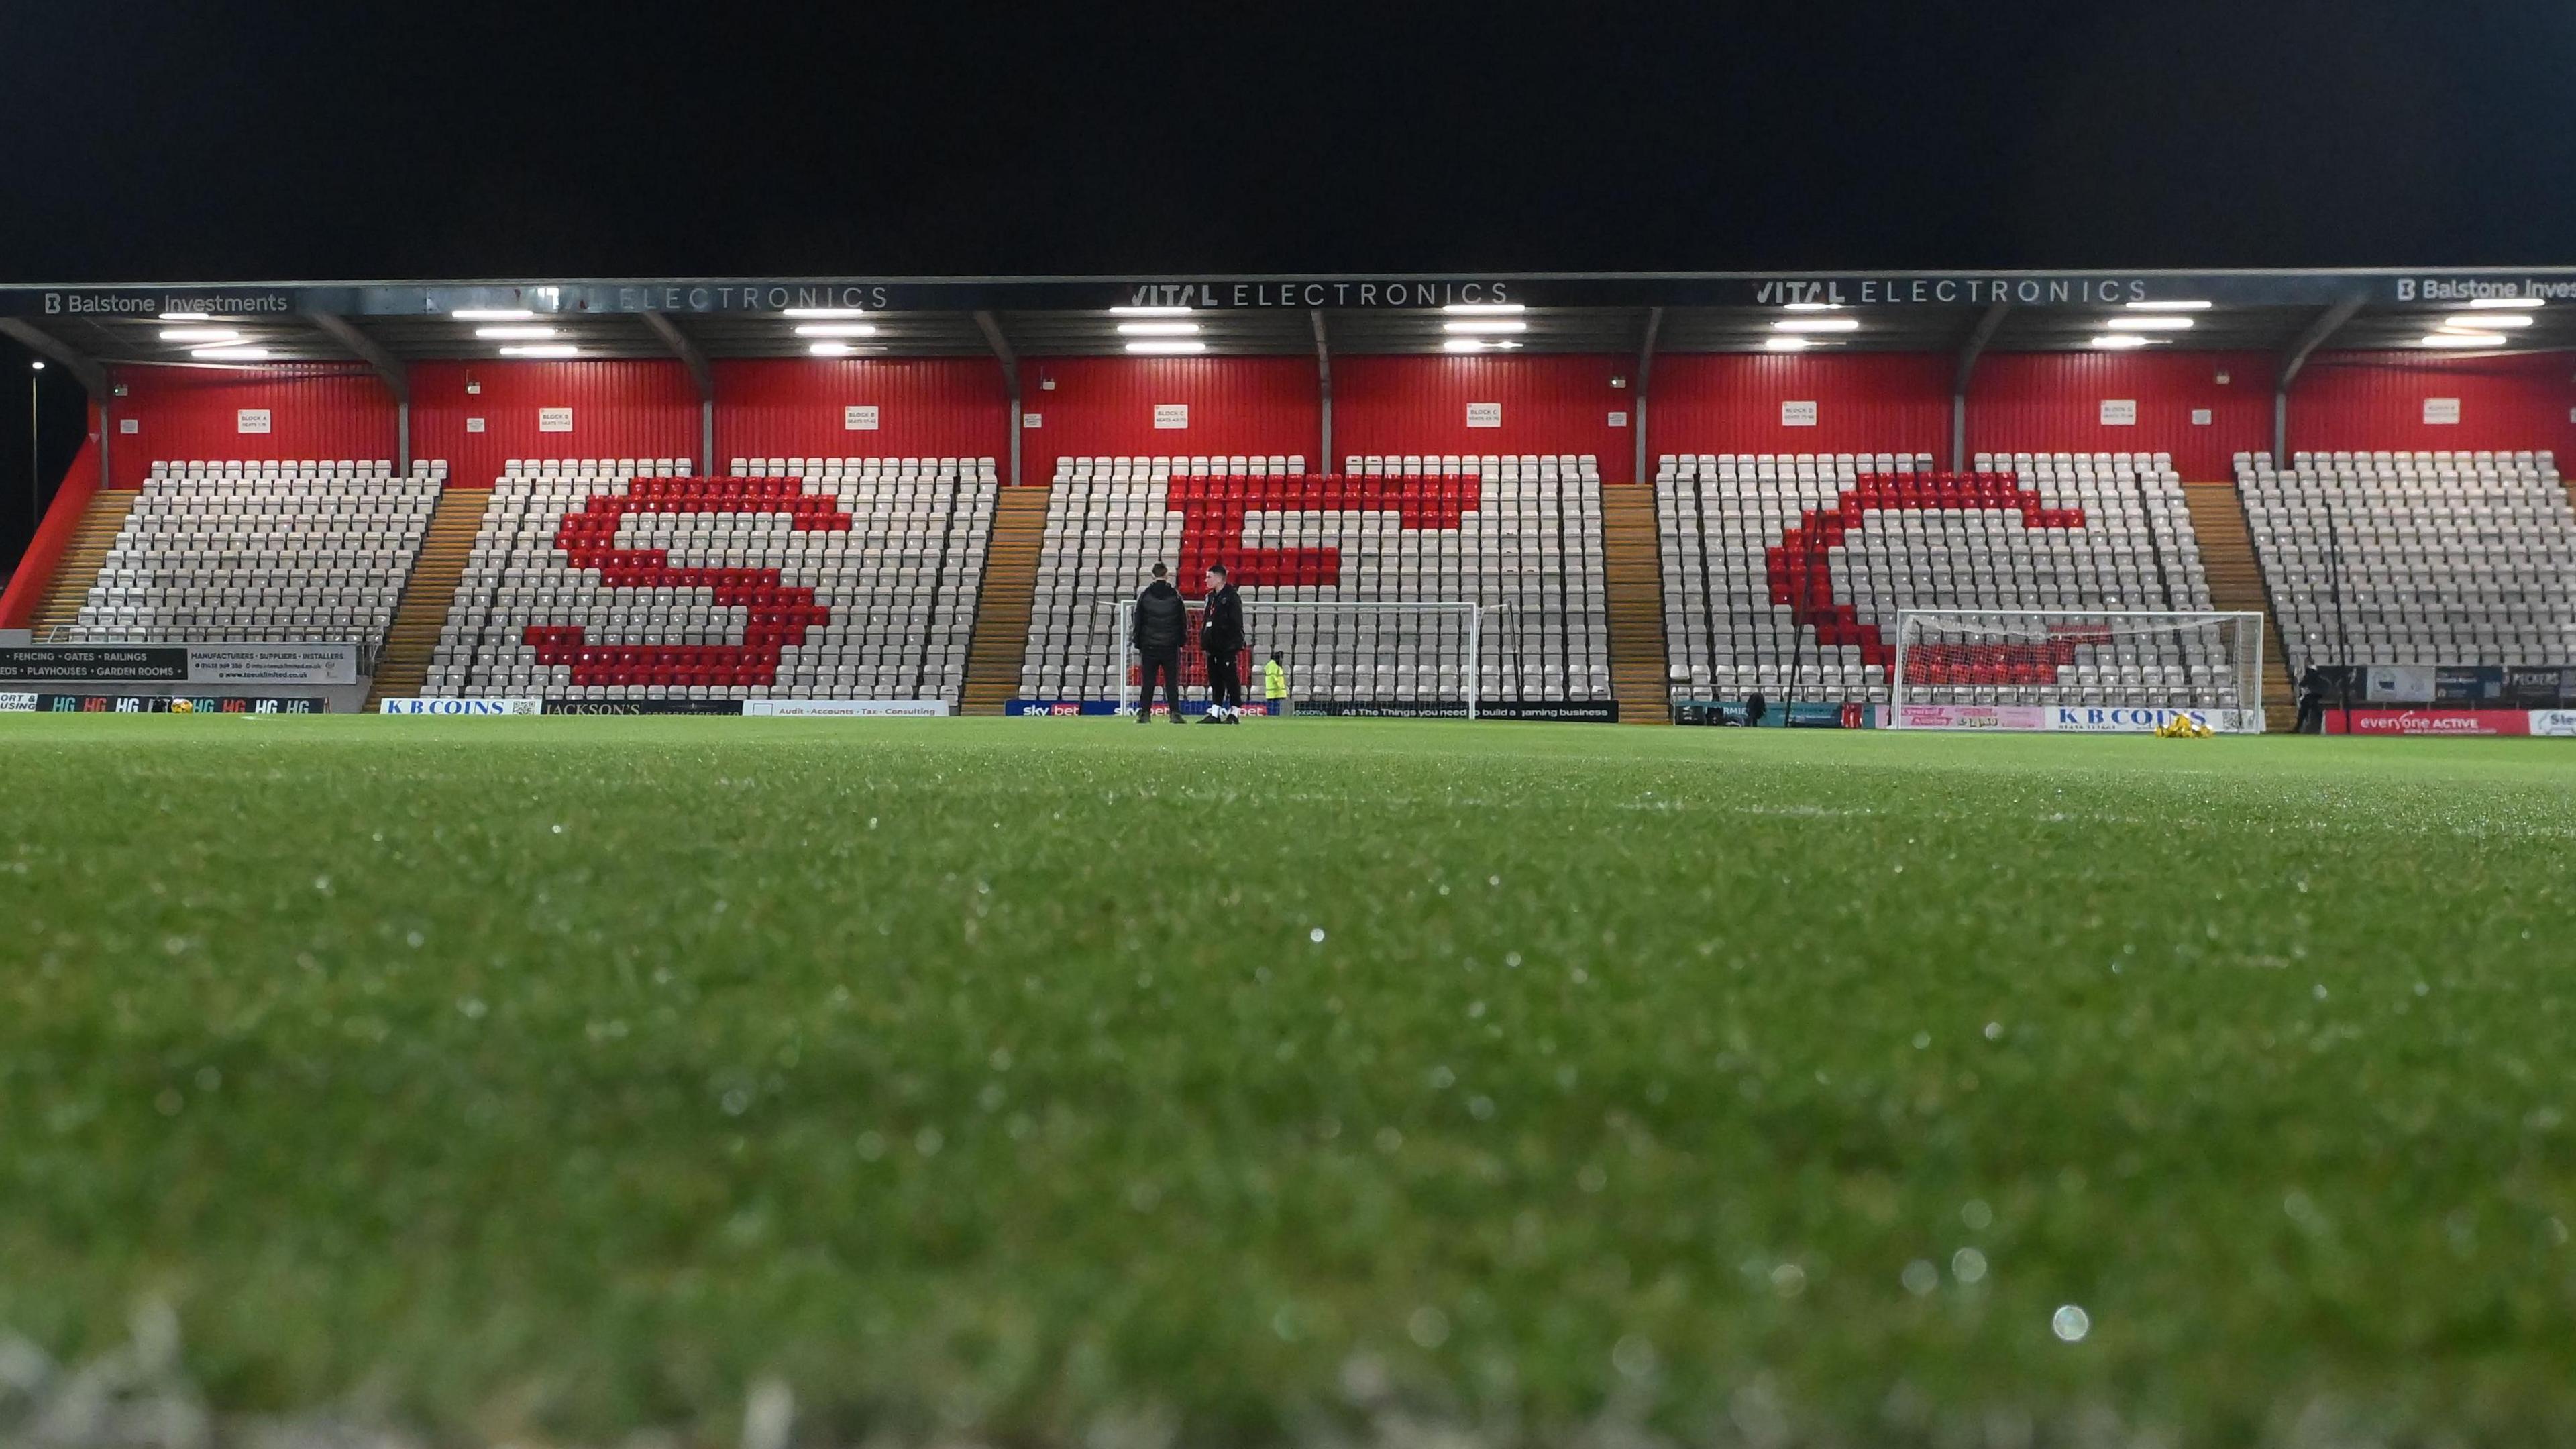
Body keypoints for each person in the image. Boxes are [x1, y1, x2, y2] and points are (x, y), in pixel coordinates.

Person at [1132, 564, 1187, 724]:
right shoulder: (1175, 596)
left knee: (1148, 681)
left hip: (1149, 646)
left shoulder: (1146, 595)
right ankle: (1175, 714)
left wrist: (1138, 642)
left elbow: (1138, 620)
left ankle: (1145, 714)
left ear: (1152, 575)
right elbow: (1182, 621)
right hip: (1170, 646)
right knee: (1171, 681)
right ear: (1167, 575)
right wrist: (1181, 641)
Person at [1199, 562, 1245, 724]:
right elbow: (1207, 620)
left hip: (1226, 646)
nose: (1206, 580)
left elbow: (1236, 622)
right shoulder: (1211, 597)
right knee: (1215, 680)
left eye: (1209, 577)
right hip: (1212, 646)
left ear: (1219, 578)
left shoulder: (1232, 597)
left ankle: (1235, 713)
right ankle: (1216, 713)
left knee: (1231, 679)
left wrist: (1229, 642)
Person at [2295, 665, 2326, 735]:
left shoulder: (2310, 674)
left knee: (2303, 713)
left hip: (2311, 697)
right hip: (2316, 697)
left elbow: (2302, 683)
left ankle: (2298, 728)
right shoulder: (2319, 677)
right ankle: (2317, 728)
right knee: (2316, 713)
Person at [1263, 651, 1290, 718]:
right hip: (1276, 692)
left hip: (1273, 692)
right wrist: (1280, 686)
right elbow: (1273, 677)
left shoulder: (1272, 666)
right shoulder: (1273, 666)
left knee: (1273, 710)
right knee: (1275, 711)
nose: (1282, 660)